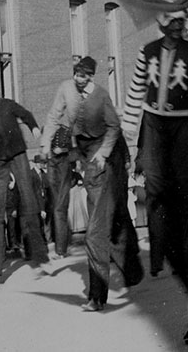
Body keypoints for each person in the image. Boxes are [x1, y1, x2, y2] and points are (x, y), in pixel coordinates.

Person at [121, 9, 188, 346]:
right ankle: (187, 278)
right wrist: (126, 138)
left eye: (181, 21)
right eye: (171, 21)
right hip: (154, 133)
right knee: (160, 222)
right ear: (161, 22)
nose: (177, 27)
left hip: (184, 136)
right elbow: (135, 96)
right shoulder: (146, 52)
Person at [54, 56, 143, 312]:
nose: (77, 80)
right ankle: (129, 272)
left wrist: (123, 161)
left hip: (108, 174)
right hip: (94, 175)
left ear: (90, 76)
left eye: (82, 76)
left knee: (96, 233)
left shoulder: (101, 101)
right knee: (111, 226)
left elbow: (117, 136)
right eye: (75, 75)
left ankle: (98, 296)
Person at [0, 83, 52, 287]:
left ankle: (41, 257)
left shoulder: (9, 105)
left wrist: (34, 127)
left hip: (18, 154)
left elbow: (25, 114)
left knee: (28, 199)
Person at [40, 63, 87, 259]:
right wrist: (48, 151)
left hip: (65, 165)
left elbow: (79, 151)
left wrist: (65, 150)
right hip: (53, 165)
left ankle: (61, 248)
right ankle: (60, 246)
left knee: (60, 206)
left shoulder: (73, 125)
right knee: (56, 206)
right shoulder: (50, 124)